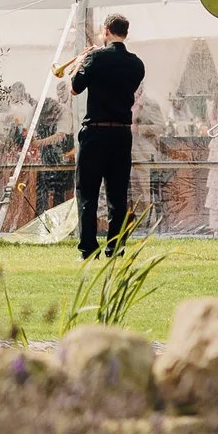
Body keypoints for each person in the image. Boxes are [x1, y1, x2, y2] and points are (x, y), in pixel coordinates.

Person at [68, 16, 147, 258]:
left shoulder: (95, 58)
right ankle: (116, 246)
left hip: (96, 131)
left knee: (88, 193)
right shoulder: (137, 64)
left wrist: (80, 61)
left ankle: (88, 248)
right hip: (121, 133)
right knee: (118, 193)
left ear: (106, 31)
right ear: (126, 33)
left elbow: (74, 88)